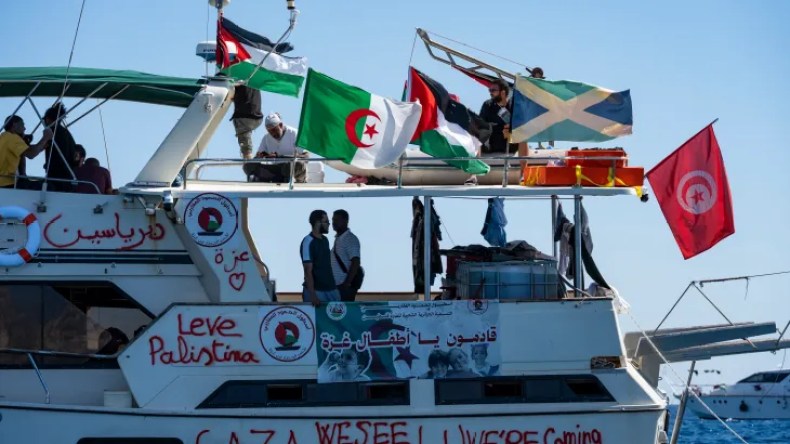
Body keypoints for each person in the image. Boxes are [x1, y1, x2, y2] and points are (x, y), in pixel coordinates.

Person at [247, 113, 307, 183]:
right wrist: (261, 156)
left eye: (274, 130)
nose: (273, 134)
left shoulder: (295, 133)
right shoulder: (266, 138)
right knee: (248, 166)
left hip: (292, 168)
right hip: (276, 170)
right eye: (270, 131)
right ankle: (274, 178)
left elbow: (305, 156)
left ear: (280, 125)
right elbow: (258, 157)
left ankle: (286, 179)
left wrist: (280, 157)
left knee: (298, 164)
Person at [301, 210, 341, 306]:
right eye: (326, 222)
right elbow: (307, 270)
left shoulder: (325, 240)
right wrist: (312, 295)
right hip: (317, 291)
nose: (329, 224)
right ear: (318, 223)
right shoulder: (308, 241)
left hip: (331, 289)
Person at [0, 115, 51, 188]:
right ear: (14, 125)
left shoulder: (4, 137)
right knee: (49, 187)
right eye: (22, 125)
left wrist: (42, 146)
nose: (24, 128)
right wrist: (45, 137)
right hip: (8, 183)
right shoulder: (12, 137)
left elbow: (30, 149)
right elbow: (31, 154)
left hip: (4, 184)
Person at [42, 103, 79, 192]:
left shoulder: (51, 132)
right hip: (69, 177)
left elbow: (40, 147)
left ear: (47, 119)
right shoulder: (66, 133)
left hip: (56, 178)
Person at [331, 209, 363, 302]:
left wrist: (346, 284)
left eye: (337, 220)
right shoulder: (339, 239)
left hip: (343, 287)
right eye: (333, 220)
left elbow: (355, 262)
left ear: (345, 221)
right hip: (337, 287)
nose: (334, 223)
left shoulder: (350, 239)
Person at [231, 85, 263, 160]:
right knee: (245, 133)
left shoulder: (238, 79)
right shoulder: (252, 78)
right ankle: (248, 155)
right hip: (258, 116)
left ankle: (247, 158)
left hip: (245, 116)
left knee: (243, 135)